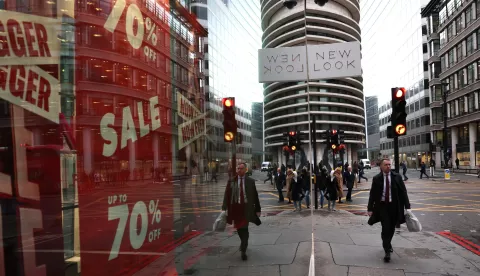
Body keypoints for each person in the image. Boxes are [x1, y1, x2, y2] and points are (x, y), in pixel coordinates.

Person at [367, 158, 411, 263]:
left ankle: (388, 243)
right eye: (386, 165)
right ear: (381, 166)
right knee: (385, 227)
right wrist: (369, 208)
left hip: (394, 206)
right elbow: (372, 194)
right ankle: (387, 250)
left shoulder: (397, 177)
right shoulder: (377, 178)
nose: (388, 166)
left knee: (391, 228)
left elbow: (403, 192)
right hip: (382, 207)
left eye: (389, 165)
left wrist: (407, 207)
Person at [222, 163, 261, 261]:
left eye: (241, 168)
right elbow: (226, 195)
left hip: (247, 208)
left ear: (245, 170)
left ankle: (243, 249)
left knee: (245, 228)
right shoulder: (232, 181)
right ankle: (243, 243)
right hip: (236, 209)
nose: (239, 170)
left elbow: (255, 196)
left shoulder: (250, 181)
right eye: (238, 168)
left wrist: (258, 209)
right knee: (239, 228)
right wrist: (224, 208)